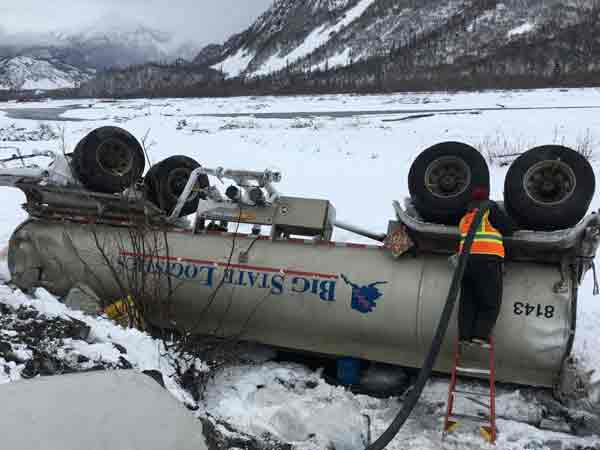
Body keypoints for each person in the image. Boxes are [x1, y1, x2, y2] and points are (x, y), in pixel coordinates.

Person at [458, 186, 515, 348]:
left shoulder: (465, 218)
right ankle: (480, 336)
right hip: (487, 261)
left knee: (468, 300)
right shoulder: (490, 211)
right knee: (490, 300)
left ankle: (464, 336)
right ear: (486, 199)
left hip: (466, 263)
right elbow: (509, 229)